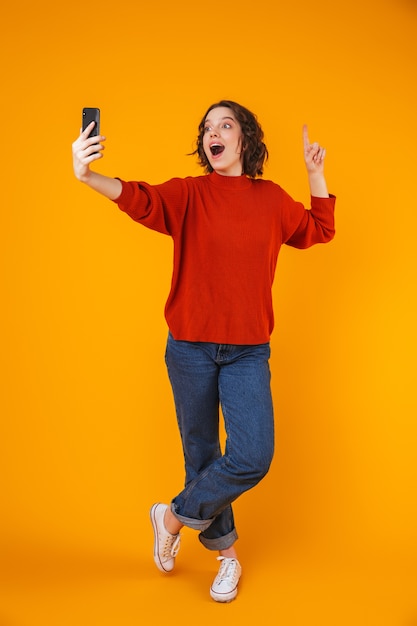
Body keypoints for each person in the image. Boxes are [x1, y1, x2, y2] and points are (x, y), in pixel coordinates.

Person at [72, 99, 335, 603]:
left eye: (226, 125)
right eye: (207, 128)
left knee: (253, 454)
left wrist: (314, 174)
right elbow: (138, 197)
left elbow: (319, 229)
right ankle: (227, 558)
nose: (214, 133)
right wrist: (88, 176)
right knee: (203, 455)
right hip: (189, 347)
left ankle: (168, 517)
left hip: (247, 352)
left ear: (245, 140)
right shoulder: (190, 194)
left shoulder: (272, 200)